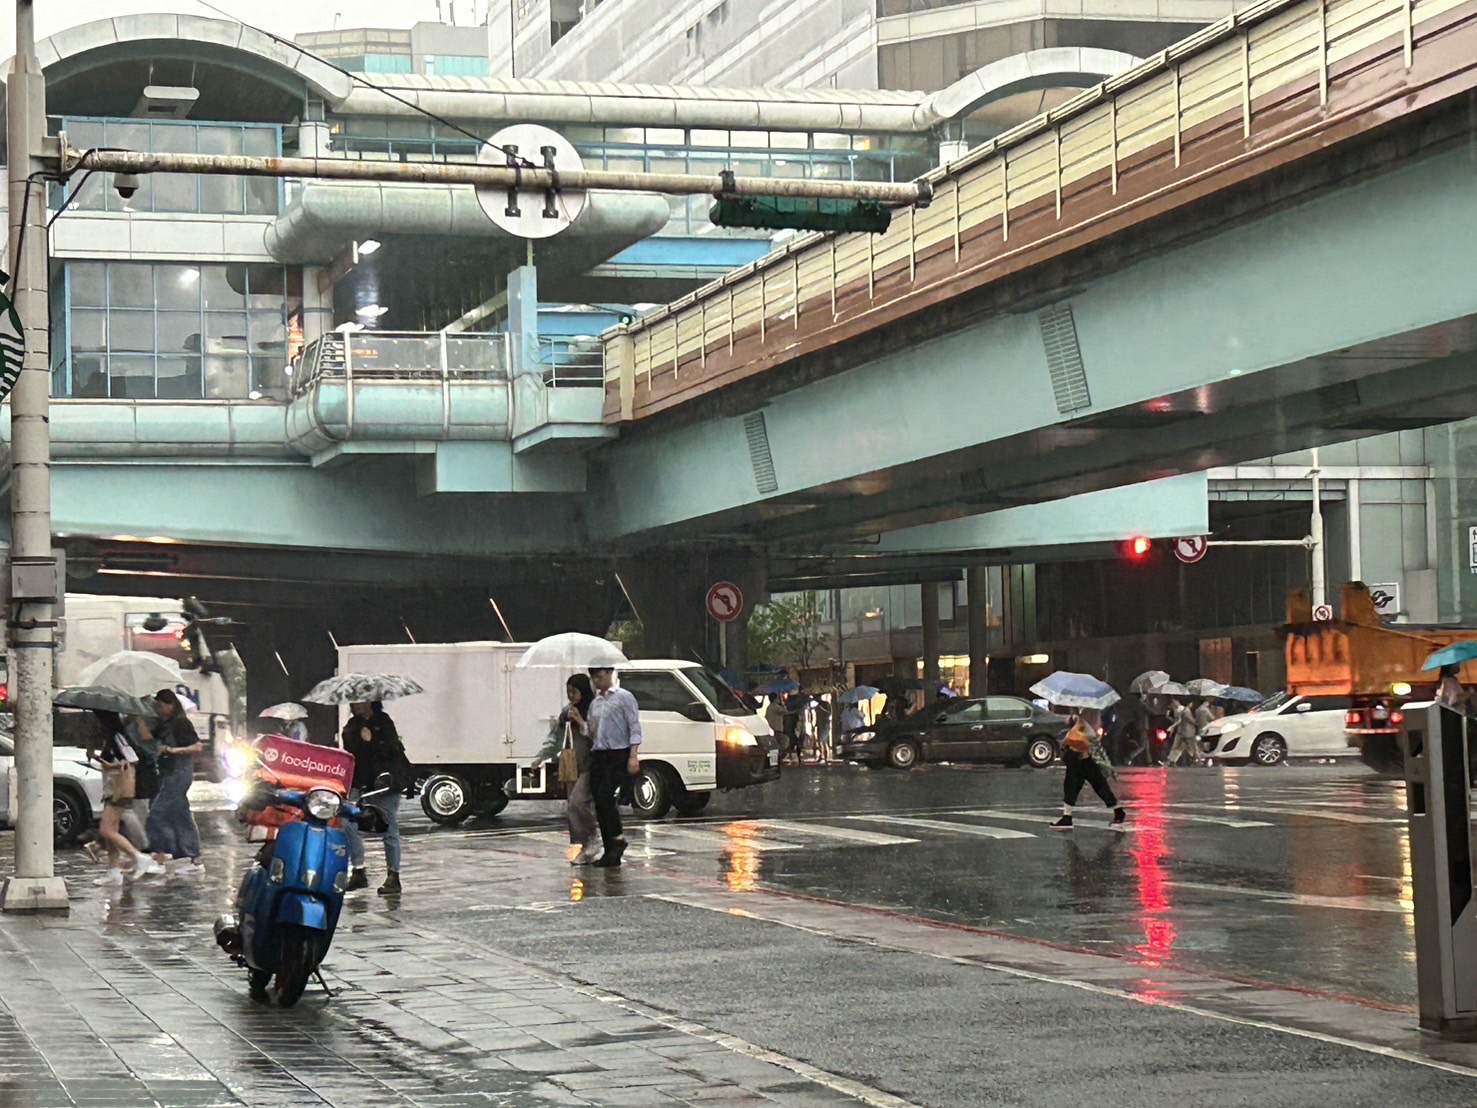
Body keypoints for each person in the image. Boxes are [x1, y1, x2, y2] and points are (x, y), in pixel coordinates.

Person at [87, 711, 164, 884]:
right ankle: (114, 872)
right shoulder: (110, 739)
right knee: (111, 832)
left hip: (118, 790)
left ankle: (138, 856)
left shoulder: (118, 737)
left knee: (106, 830)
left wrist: (110, 765)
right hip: (111, 789)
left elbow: (132, 759)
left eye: (98, 721)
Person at [341, 700, 407, 895]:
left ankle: (393, 876)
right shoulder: (352, 726)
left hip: (385, 782)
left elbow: (391, 750)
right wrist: (359, 738)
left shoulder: (384, 722)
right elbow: (350, 750)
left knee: (388, 826)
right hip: (361, 781)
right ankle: (359, 870)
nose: (354, 706)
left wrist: (373, 739)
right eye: (352, 702)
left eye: (359, 702)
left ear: (370, 702)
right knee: (346, 822)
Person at [534, 674, 599, 864]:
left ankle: (594, 837)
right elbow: (554, 737)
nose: (571, 695)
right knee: (571, 808)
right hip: (571, 765)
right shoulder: (566, 712)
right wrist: (541, 757)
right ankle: (585, 845)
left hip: (590, 764)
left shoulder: (593, 710)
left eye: (575, 691)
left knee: (578, 803)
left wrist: (580, 721)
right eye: (568, 691)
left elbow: (599, 737)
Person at [586, 664, 642, 869]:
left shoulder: (624, 697)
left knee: (605, 795)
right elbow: (591, 730)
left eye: (600, 676)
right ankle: (611, 849)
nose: (597, 682)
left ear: (609, 674)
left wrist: (633, 755)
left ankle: (617, 838)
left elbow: (634, 726)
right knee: (599, 801)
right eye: (594, 678)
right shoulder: (596, 702)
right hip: (600, 754)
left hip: (618, 753)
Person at [145, 689, 206, 873]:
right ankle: (193, 859)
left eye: (161, 705)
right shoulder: (164, 724)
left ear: (170, 705)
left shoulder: (181, 723)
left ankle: (162, 853)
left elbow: (197, 746)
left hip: (179, 773)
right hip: (168, 772)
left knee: (157, 812)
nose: (158, 709)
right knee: (181, 814)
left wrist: (172, 750)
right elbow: (147, 736)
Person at [1051, 708, 1127, 831]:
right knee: (1075, 784)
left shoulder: (1091, 710)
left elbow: (1089, 729)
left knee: (1095, 784)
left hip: (1084, 752)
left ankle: (1117, 810)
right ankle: (1067, 816)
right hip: (1078, 752)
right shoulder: (1084, 709)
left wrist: (1076, 717)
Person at [1165, 699, 1201, 767]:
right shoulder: (1185, 711)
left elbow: (1179, 721)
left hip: (1183, 732)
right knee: (1189, 747)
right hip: (1186, 732)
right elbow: (1189, 720)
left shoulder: (1183, 711)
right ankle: (1197, 760)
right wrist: (1197, 723)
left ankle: (1171, 761)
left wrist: (1172, 727)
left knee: (1182, 747)